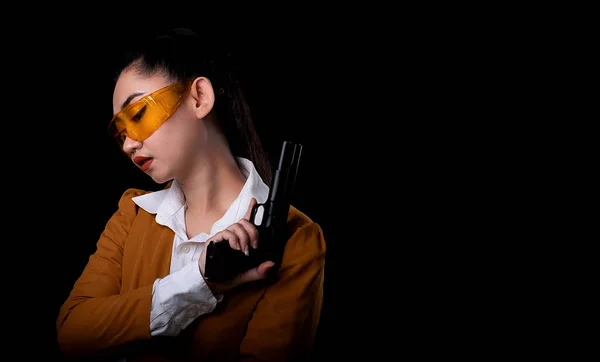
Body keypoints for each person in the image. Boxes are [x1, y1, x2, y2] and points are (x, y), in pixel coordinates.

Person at [56, 28, 326, 362]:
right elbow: (73, 332)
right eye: (121, 133)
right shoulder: (132, 215)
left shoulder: (295, 239)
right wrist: (197, 282)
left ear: (199, 97)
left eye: (138, 114)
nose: (128, 145)